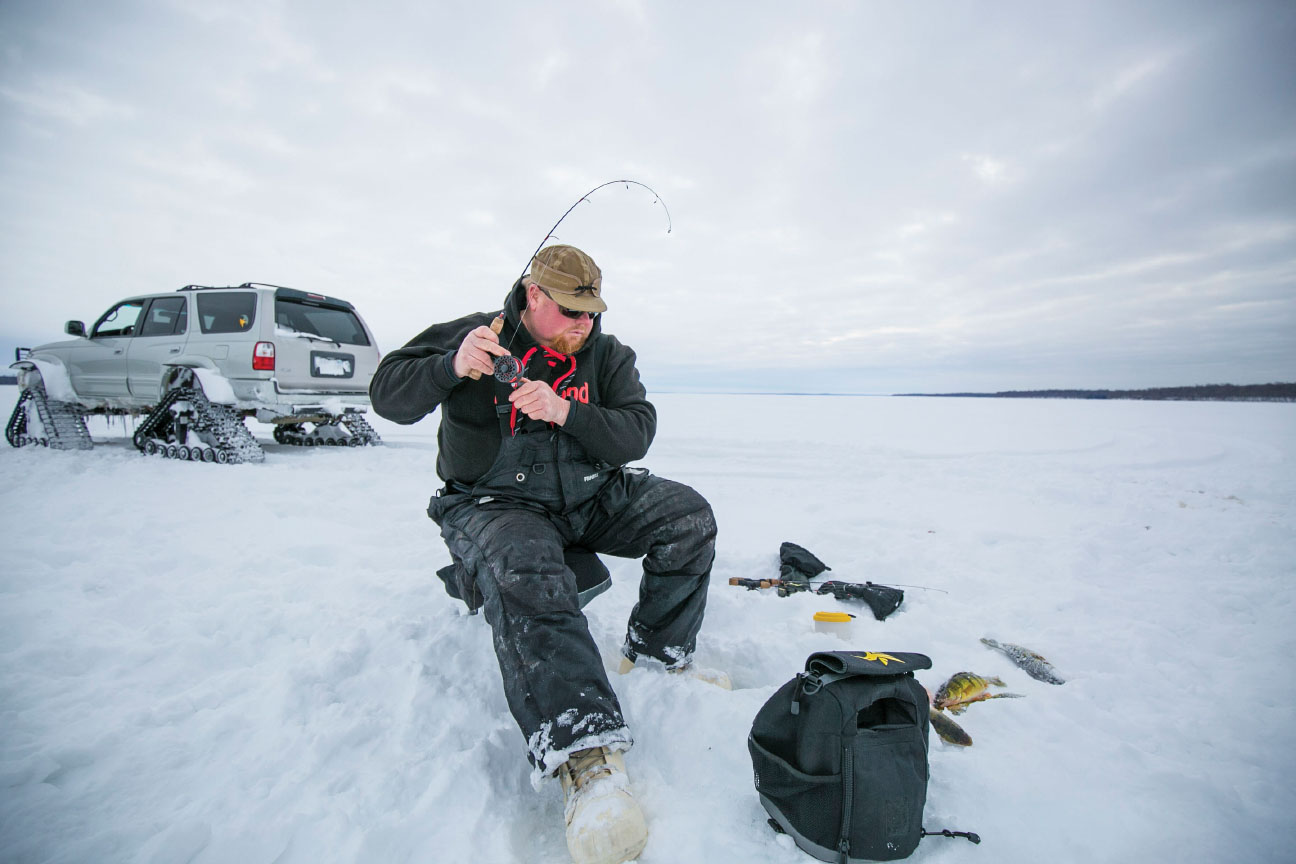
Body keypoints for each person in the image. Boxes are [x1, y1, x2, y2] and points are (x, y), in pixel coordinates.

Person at [369, 244, 718, 864]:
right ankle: (587, 759)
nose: (584, 325)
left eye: (592, 312)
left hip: (589, 496)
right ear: (534, 296)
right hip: (493, 504)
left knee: (687, 517)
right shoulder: (474, 336)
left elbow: (637, 430)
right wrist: (449, 366)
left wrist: (567, 411)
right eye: (570, 311)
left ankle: (660, 651)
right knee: (527, 572)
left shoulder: (607, 356)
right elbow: (388, 397)